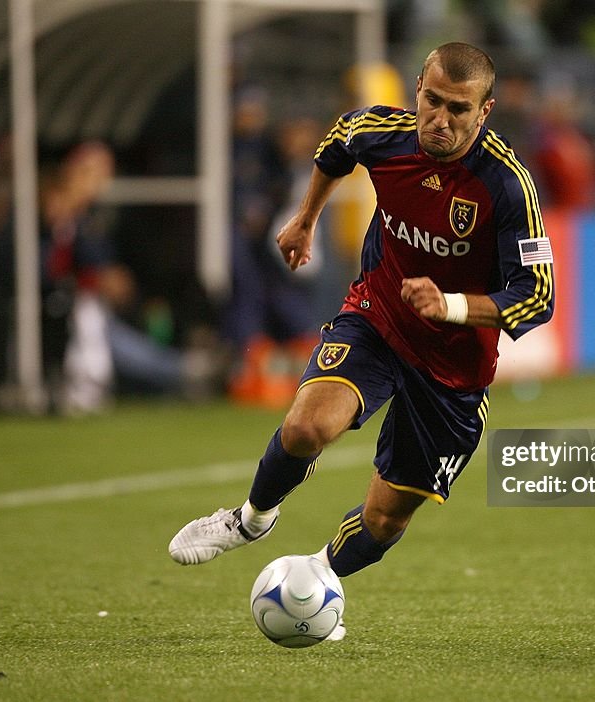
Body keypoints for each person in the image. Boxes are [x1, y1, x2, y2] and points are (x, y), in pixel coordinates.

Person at [168, 42, 554, 637]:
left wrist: (448, 305)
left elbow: (537, 296)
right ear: (416, 89)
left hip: (452, 371)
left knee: (385, 519)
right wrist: (305, 220)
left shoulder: (506, 186)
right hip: (377, 317)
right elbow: (338, 145)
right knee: (304, 427)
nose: (440, 120)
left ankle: (316, 582)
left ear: (486, 111)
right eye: (431, 101)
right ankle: (249, 519)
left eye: (458, 108)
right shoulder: (383, 133)